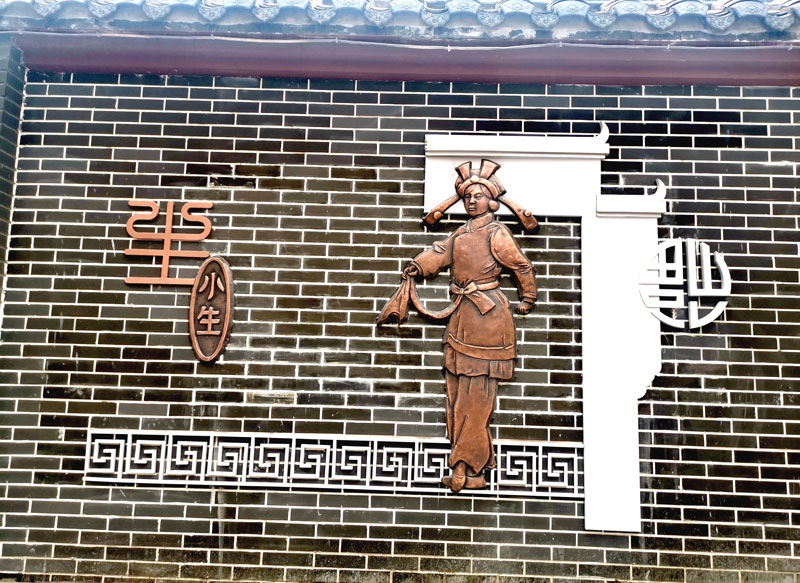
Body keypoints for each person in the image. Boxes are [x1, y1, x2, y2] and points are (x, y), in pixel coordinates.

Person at [400, 162, 536, 492]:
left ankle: (465, 468)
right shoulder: (461, 233)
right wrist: (419, 266)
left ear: (492, 202)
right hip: (461, 316)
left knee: (476, 399)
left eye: (478, 196)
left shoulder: (496, 233)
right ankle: (471, 462)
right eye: (467, 197)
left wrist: (528, 297)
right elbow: (440, 253)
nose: (472, 202)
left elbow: (521, 266)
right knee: (457, 396)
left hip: (488, 318)